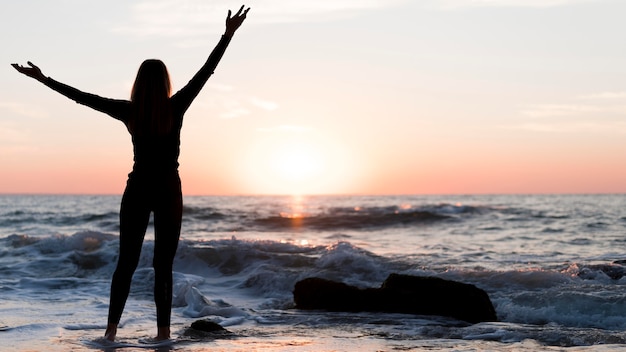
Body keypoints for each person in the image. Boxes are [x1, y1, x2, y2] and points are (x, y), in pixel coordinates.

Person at [12, 5, 250, 342]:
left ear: (138, 83)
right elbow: (205, 71)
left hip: (138, 188)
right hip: (168, 188)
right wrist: (227, 35)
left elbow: (83, 98)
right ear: (165, 82)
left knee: (126, 262)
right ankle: (163, 335)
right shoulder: (175, 106)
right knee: (162, 266)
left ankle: (110, 333)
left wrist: (44, 79)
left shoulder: (129, 110)